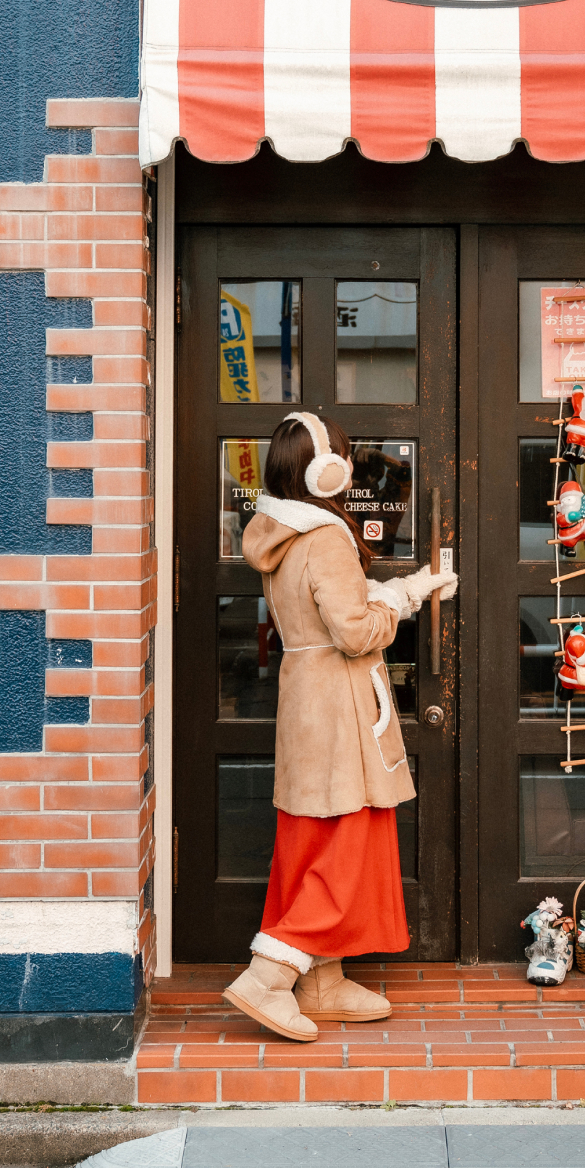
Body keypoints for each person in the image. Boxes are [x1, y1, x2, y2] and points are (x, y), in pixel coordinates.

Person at [223, 412, 457, 1042]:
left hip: (305, 697)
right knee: (347, 843)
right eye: (343, 457)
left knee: (310, 841)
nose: (348, 467)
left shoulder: (279, 531)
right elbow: (355, 633)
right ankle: (269, 978)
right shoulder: (325, 536)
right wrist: (399, 602)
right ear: (325, 468)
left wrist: (397, 591)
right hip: (340, 702)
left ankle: (321, 983)